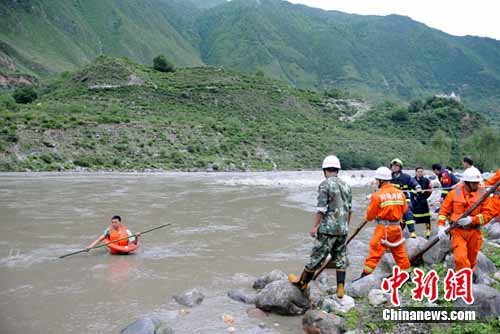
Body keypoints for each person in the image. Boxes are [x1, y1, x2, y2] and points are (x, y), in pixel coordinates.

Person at [288, 155, 352, 298]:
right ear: (337, 170)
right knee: (340, 258)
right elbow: (349, 209)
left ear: (325, 170)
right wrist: (345, 226)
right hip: (342, 228)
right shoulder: (347, 186)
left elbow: (321, 209)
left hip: (328, 229)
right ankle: (340, 288)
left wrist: (314, 226)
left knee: (316, 256)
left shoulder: (325, 184)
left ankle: (302, 283)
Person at [437, 168, 495, 280]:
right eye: (474, 183)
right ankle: (464, 281)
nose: (477, 185)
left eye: (478, 182)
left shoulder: (483, 194)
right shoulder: (454, 193)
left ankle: (469, 279)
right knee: (460, 258)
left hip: (474, 232)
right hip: (458, 231)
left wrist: (472, 220)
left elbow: (488, 214)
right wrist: (440, 225)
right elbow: (443, 211)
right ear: (466, 183)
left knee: (472, 259)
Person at [357, 166, 411, 280]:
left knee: (375, 251)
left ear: (381, 180)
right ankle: (407, 276)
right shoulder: (400, 193)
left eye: (377, 179)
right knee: (400, 252)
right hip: (396, 228)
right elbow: (405, 210)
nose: (376, 181)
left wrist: (374, 216)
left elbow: (370, 216)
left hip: (383, 229)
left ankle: (364, 277)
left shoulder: (377, 195)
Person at [390, 158, 421, 238]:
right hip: (392, 200)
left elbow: (414, 183)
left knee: (407, 212)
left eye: (396, 166)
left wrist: (418, 187)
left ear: (400, 167)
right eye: (393, 166)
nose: (394, 167)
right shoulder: (388, 177)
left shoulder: (406, 177)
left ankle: (412, 232)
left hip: (404, 199)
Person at [411, 167, 432, 239]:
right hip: (415, 201)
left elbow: (430, 190)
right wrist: (414, 195)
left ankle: (428, 230)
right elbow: (410, 191)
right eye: (418, 172)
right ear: (416, 172)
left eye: (421, 171)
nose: (420, 173)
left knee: (426, 216)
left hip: (423, 200)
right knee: (413, 217)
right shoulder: (412, 180)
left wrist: (425, 193)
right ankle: (413, 231)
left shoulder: (426, 180)